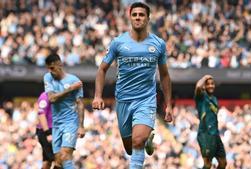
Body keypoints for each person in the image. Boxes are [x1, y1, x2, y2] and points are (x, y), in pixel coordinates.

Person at [92, 2, 173, 168]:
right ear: (130, 17)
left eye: (141, 15)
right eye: (134, 14)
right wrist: (98, 95)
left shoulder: (158, 44)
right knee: (130, 149)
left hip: (146, 100)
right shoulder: (118, 43)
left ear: (148, 18)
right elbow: (102, 70)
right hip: (123, 101)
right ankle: (147, 140)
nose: (138, 17)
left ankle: (143, 139)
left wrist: (169, 105)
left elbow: (164, 75)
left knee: (137, 141)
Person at [43, 53, 85, 169]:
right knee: (58, 163)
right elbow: (52, 98)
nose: (50, 71)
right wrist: (70, 89)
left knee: (65, 155)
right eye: (48, 68)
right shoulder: (48, 77)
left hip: (71, 122)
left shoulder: (74, 80)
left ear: (59, 64)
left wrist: (81, 126)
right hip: (56, 124)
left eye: (52, 68)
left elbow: (80, 104)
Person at [194, 75, 227, 169]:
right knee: (208, 164)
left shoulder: (215, 99)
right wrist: (205, 77)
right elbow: (198, 87)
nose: (210, 86)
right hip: (205, 135)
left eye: (212, 84)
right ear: (204, 86)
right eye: (208, 84)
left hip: (215, 134)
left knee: (223, 163)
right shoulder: (201, 97)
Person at [36, 91, 54, 169]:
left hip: (55, 130)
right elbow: (41, 114)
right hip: (46, 131)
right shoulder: (45, 96)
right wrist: (48, 133)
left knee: (47, 162)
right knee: (58, 159)